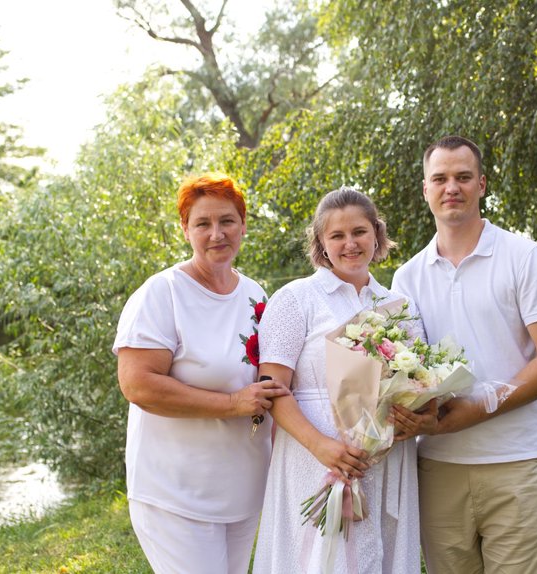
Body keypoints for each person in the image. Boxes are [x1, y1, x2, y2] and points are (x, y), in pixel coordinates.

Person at [390, 135, 537, 574]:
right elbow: (403, 373)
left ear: (482, 185)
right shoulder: (407, 277)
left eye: (462, 177)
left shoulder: (523, 257)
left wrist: (477, 408)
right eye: (440, 178)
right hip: (437, 465)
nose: (451, 187)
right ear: (425, 189)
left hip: (516, 462)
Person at [112, 172, 289, 574]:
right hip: (177, 493)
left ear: (243, 226)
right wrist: (231, 404)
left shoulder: (256, 295)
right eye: (203, 223)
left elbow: (273, 384)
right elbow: (138, 384)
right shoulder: (163, 293)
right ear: (185, 230)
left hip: (244, 487)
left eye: (227, 221)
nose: (217, 233)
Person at [251, 187, 421, 574]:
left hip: (384, 457)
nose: (350, 244)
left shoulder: (399, 306)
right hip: (312, 454)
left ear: (376, 234)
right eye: (337, 235)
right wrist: (323, 447)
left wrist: (414, 415)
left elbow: (418, 385)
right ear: (321, 244)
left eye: (359, 231)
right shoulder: (296, 299)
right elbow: (272, 389)